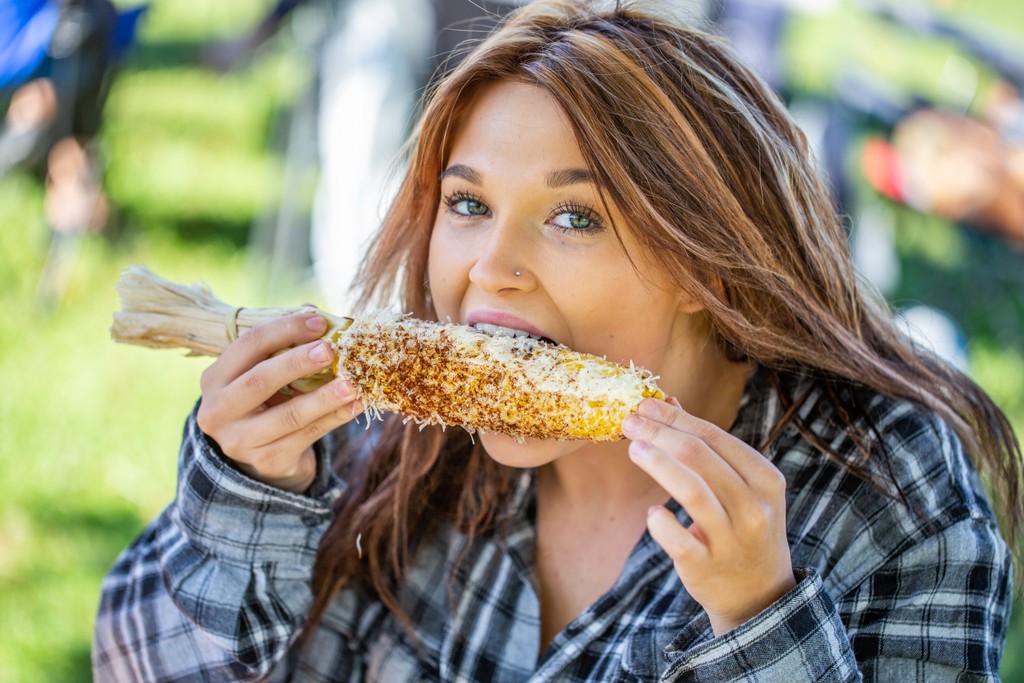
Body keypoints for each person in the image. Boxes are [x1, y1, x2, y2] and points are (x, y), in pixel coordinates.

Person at [93, 1, 1021, 680]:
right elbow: (133, 664)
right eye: (468, 203)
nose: (492, 267)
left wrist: (759, 621)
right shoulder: (369, 438)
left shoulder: (889, 489)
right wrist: (244, 501)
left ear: (705, 257)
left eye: (574, 216)